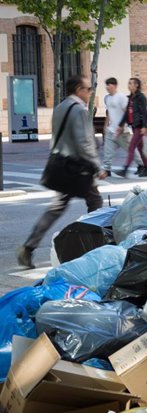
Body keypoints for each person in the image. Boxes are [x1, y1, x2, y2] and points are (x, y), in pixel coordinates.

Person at [17, 75, 107, 268]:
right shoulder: (79, 110)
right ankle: (97, 249)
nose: (90, 92)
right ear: (78, 90)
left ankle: (28, 247)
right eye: (88, 89)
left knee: (56, 208)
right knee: (96, 205)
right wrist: (97, 166)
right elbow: (84, 142)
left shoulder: (59, 108)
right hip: (78, 168)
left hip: (62, 165)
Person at [102, 77, 143, 176]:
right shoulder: (106, 98)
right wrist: (105, 126)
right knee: (108, 150)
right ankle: (107, 169)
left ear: (115, 86)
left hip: (122, 131)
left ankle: (141, 166)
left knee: (130, 149)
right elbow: (108, 113)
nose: (107, 87)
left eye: (109, 85)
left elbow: (127, 112)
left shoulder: (121, 97)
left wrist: (123, 126)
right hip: (111, 129)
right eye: (106, 85)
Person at [118, 77, 147, 178]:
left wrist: (145, 126)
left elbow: (145, 113)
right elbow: (126, 114)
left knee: (132, 147)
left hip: (140, 127)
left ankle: (125, 169)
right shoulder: (131, 98)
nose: (129, 85)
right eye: (128, 83)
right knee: (140, 148)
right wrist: (120, 125)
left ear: (136, 85)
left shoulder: (141, 97)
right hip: (133, 125)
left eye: (131, 83)